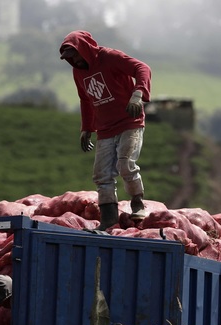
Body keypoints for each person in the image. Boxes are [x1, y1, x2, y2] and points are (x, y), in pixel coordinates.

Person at [59, 30, 152, 231]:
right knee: (101, 175)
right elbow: (86, 99)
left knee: (125, 164)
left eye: (75, 55)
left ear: (84, 49)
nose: (73, 61)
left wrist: (138, 93)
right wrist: (87, 128)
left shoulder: (109, 57)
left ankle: (137, 200)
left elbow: (142, 68)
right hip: (105, 128)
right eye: (69, 58)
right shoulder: (78, 72)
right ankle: (109, 218)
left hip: (129, 121)